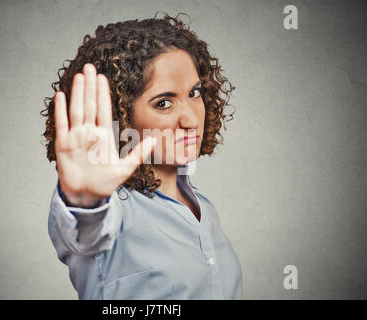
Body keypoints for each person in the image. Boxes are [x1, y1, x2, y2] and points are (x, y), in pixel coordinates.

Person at [40, 13, 242, 299]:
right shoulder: (113, 208)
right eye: (164, 102)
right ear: (121, 116)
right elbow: (83, 233)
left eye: (195, 93)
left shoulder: (202, 206)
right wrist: (83, 201)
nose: (190, 119)